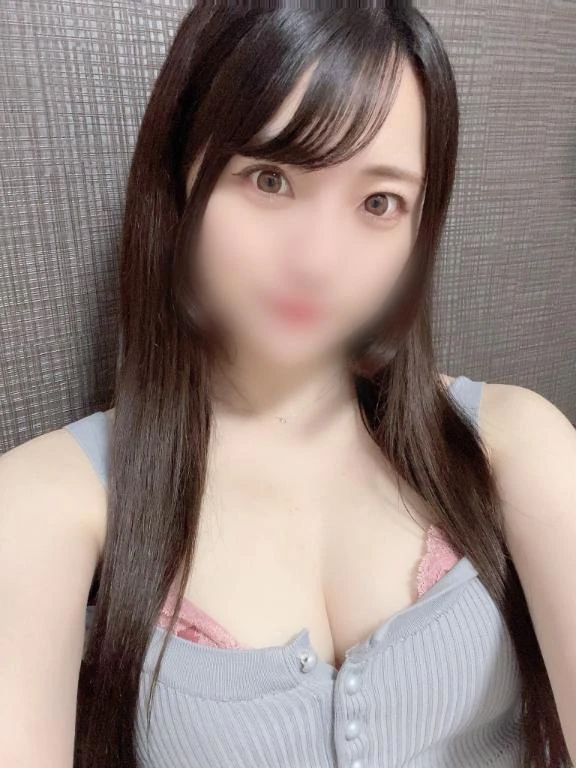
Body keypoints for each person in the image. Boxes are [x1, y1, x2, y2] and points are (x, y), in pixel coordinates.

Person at [1, 3, 575, 768]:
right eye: (271, 179)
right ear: (181, 177)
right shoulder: (48, 504)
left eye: (379, 202)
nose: (318, 260)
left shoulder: (515, 444)